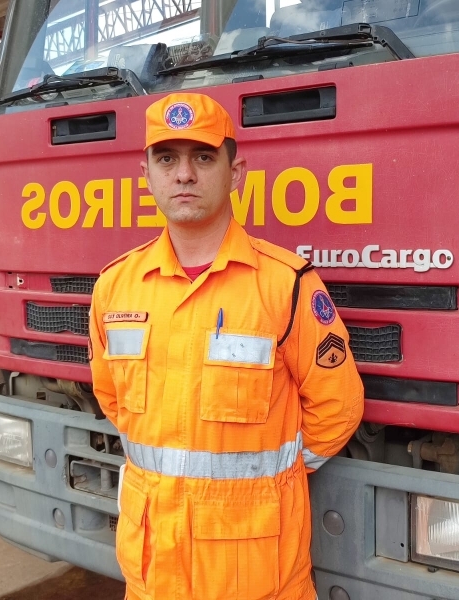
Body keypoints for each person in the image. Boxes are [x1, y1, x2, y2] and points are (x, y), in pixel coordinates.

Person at [89, 92, 364, 600]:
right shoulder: (114, 287)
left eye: (203, 157)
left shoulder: (285, 285)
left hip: (255, 575)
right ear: (145, 174)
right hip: (153, 575)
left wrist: (270, 476)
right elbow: (113, 400)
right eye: (166, 159)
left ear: (235, 174)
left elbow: (338, 406)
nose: (184, 175)